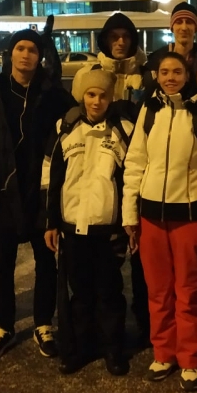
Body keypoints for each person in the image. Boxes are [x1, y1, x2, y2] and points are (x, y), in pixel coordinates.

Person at [0, 28, 76, 362]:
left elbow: (75, 131)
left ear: (40, 56)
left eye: (32, 50)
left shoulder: (53, 95)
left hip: (40, 195)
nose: (26, 55)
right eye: (20, 48)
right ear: (11, 54)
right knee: (0, 265)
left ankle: (43, 323)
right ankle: (2, 325)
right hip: (0, 196)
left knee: (46, 264)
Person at [122, 52, 197, 392]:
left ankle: (191, 357)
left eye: (177, 71)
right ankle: (164, 352)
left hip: (190, 216)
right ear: (156, 75)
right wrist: (129, 214)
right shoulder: (149, 109)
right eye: (164, 71)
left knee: (189, 291)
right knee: (158, 291)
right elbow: (135, 162)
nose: (170, 77)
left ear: (188, 75)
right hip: (152, 216)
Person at [42, 67, 133, 376]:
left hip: (107, 229)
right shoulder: (65, 126)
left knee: (109, 292)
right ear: (82, 95)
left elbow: (130, 181)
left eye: (103, 95)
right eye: (91, 94)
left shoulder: (124, 130)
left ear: (111, 98)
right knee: (79, 293)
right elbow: (50, 176)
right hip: (72, 226)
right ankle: (81, 348)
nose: (96, 101)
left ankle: (113, 349)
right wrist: (51, 222)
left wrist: (127, 224)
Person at [70, 11, 151, 343]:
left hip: (140, 170)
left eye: (126, 36)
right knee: (99, 270)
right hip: (101, 173)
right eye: (114, 36)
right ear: (104, 40)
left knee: (141, 263)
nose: (120, 42)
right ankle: (91, 334)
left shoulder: (146, 74)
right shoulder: (91, 72)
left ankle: (145, 326)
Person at [143, 2, 197, 94]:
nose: (184, 27)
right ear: (172, 27)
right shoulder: (155, 61)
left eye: (189, 22)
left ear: (196, 28)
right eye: (179, 22)